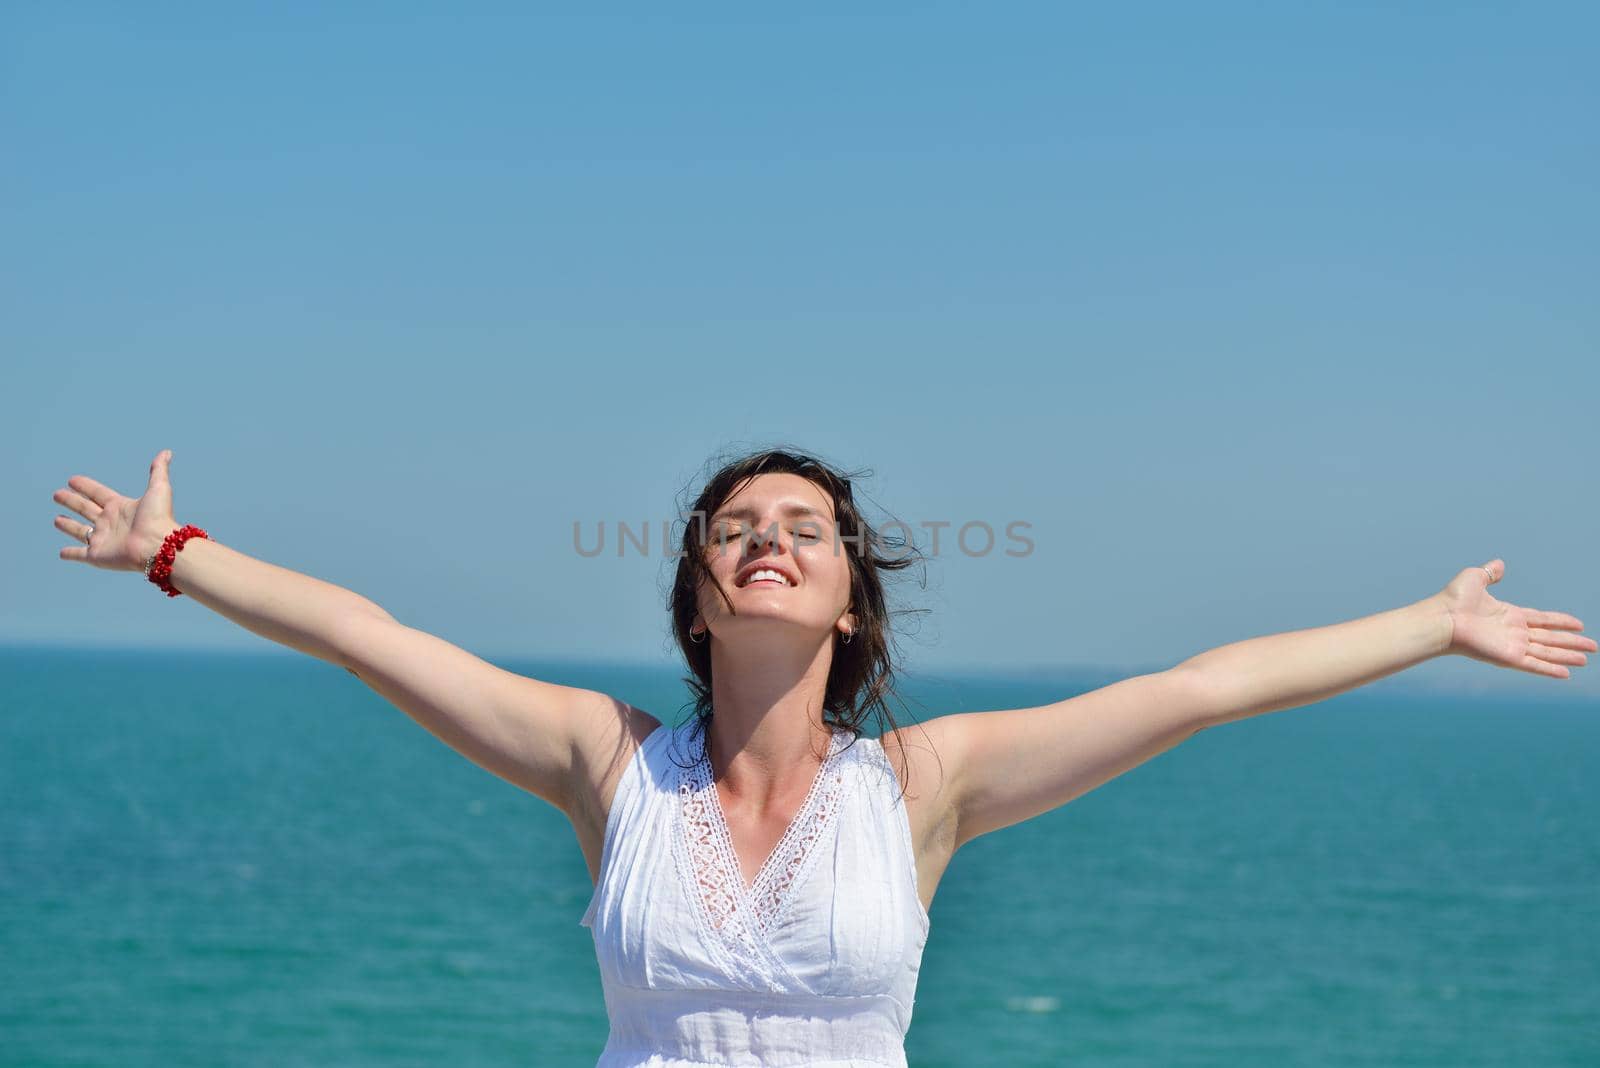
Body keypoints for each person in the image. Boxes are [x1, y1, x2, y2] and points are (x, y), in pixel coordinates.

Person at [51, 446, 1594, 1068]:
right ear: (701, 596)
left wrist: (1430, 624)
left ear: (851, 599)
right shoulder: (607, 765)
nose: (771, 542)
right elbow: (369, 636)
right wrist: (174, 550)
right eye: (740, 529)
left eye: (807, 531)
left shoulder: (927, 786)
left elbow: (1204, 686)